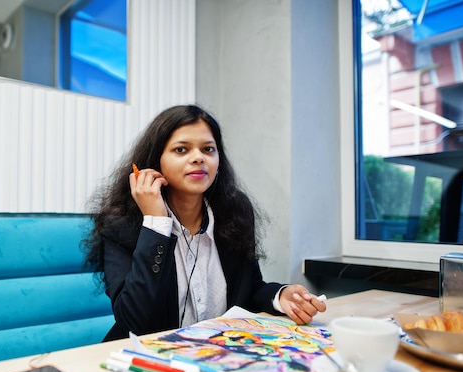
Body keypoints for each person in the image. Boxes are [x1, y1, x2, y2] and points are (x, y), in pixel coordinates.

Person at [84, 104, 326, 341]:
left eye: (208, 149)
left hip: (213, 358)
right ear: (155, 163)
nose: (198, 158)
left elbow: (247, 289)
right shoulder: (122, 222)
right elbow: (134, 321)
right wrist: (156, 224)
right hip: (144, 364)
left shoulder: (235, 211)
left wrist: (280, 296)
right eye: (181, 150)